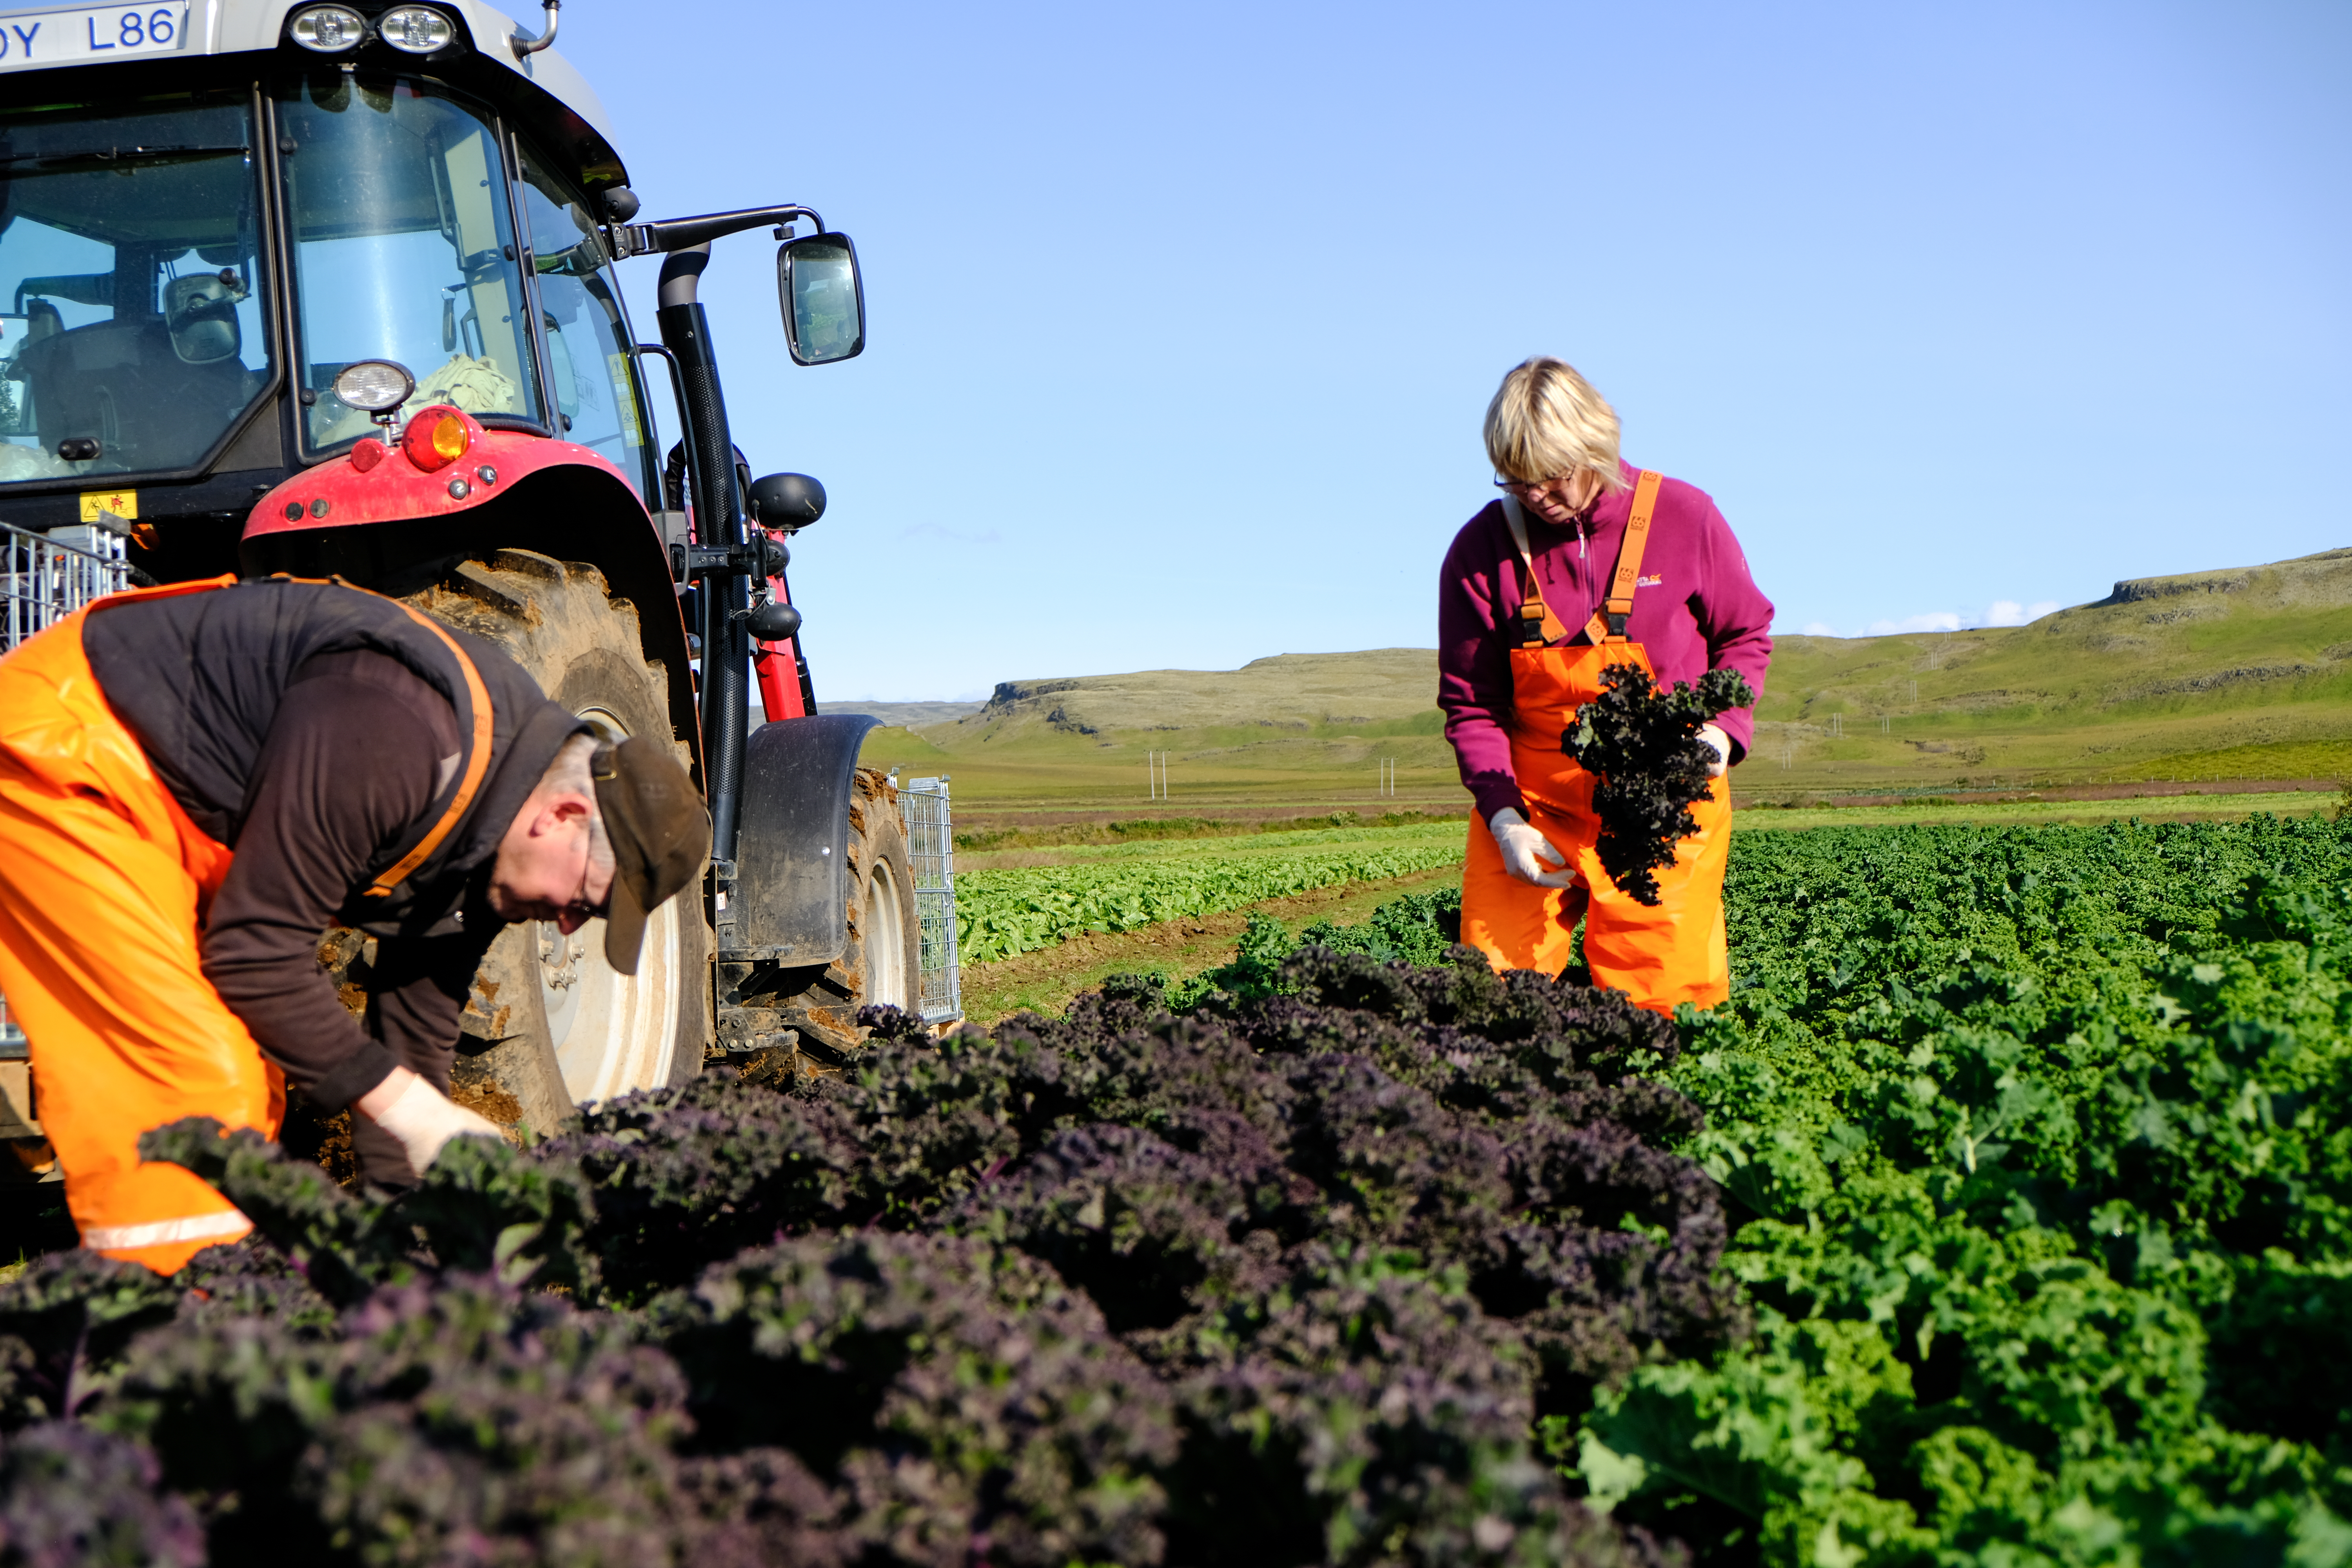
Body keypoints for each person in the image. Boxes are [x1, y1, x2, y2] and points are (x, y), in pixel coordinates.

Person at [0, 574, 710, 1273]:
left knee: (260, 1080)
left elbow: (415, 1033)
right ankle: (169, 1347)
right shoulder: (400, 734)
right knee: (197, 1085)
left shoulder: (493, 826)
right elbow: (254, 956)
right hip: (73, 753)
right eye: (585, 901)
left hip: (176, 810)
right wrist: (413, 1112)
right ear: (565, 817)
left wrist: (403, 1240)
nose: (565, 926)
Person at [1438, 357, 1773, 1014]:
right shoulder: (1481, 551)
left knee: (1664, 1002)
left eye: (1554, 476)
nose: (1537, 496)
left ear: (1596, 446)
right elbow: (1472, 704)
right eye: (1517, 479)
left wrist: (1720, 734)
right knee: (1491, 997)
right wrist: (1503, 816)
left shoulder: (1685, 516)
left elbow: (1746, 636)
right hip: (1533, 806)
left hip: (1664, 805)